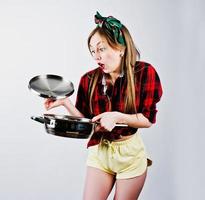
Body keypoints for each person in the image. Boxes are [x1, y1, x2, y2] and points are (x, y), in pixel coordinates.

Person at [44, 11, 163, 200]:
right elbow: (87, 122)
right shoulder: (88, 79)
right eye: (92, 51)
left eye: (101, 49)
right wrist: (65, 103)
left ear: (120, 48)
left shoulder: (144, 73)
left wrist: (117, 117)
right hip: (100, 152)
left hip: (130, 156)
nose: (96, 56)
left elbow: (147, 119)